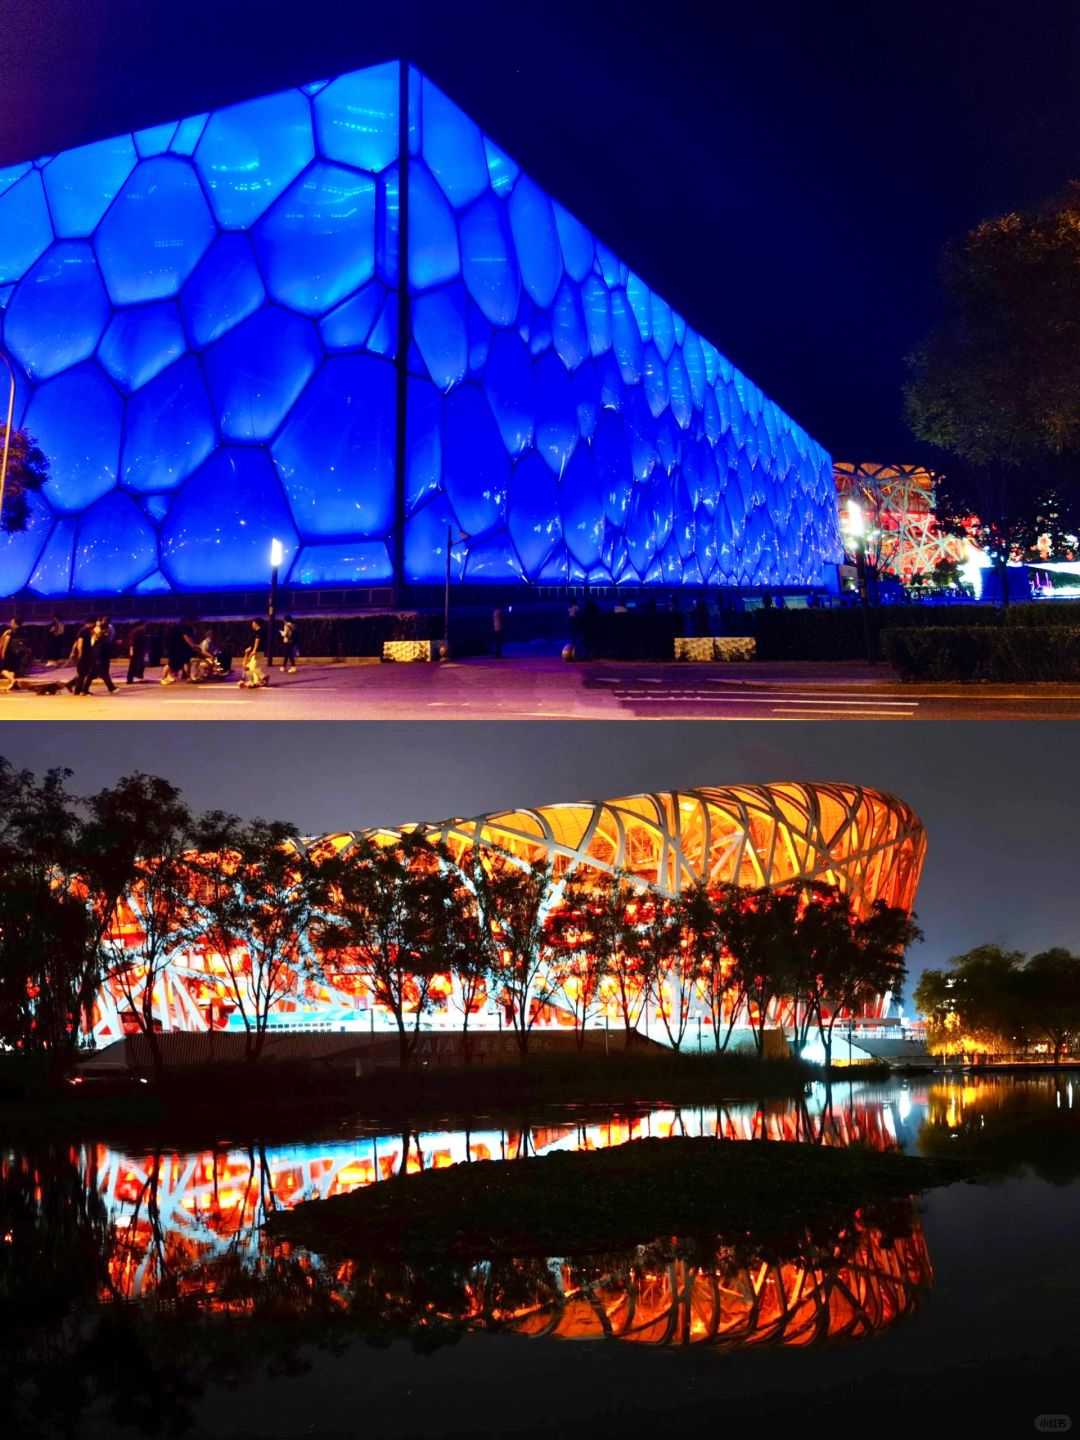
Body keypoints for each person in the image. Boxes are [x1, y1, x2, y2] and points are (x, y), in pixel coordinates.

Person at [65, 621, 96, 694]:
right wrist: (80, 653)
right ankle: (77, 690)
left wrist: (72, 652)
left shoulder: (87, 631)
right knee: (82, 673)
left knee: (85, 672)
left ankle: (70, 684)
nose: (94, 625)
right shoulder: (84, 631)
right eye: (93, 624)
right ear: (89, 623)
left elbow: (76, 642)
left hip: (87, 654)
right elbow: (79, 642)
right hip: (84, 655)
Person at [239, 618, 269, 688]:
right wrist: (250, 648)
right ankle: (254, 682)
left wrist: (254, 650)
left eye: (253, 623)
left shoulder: (258, 632)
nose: (252, 624)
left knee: (252, 667)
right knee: (249, 667)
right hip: (259, 651)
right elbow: (256, 643)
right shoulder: (262, 631)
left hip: (257, 652)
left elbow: (257, 641)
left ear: (256, 623)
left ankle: (263, 677)